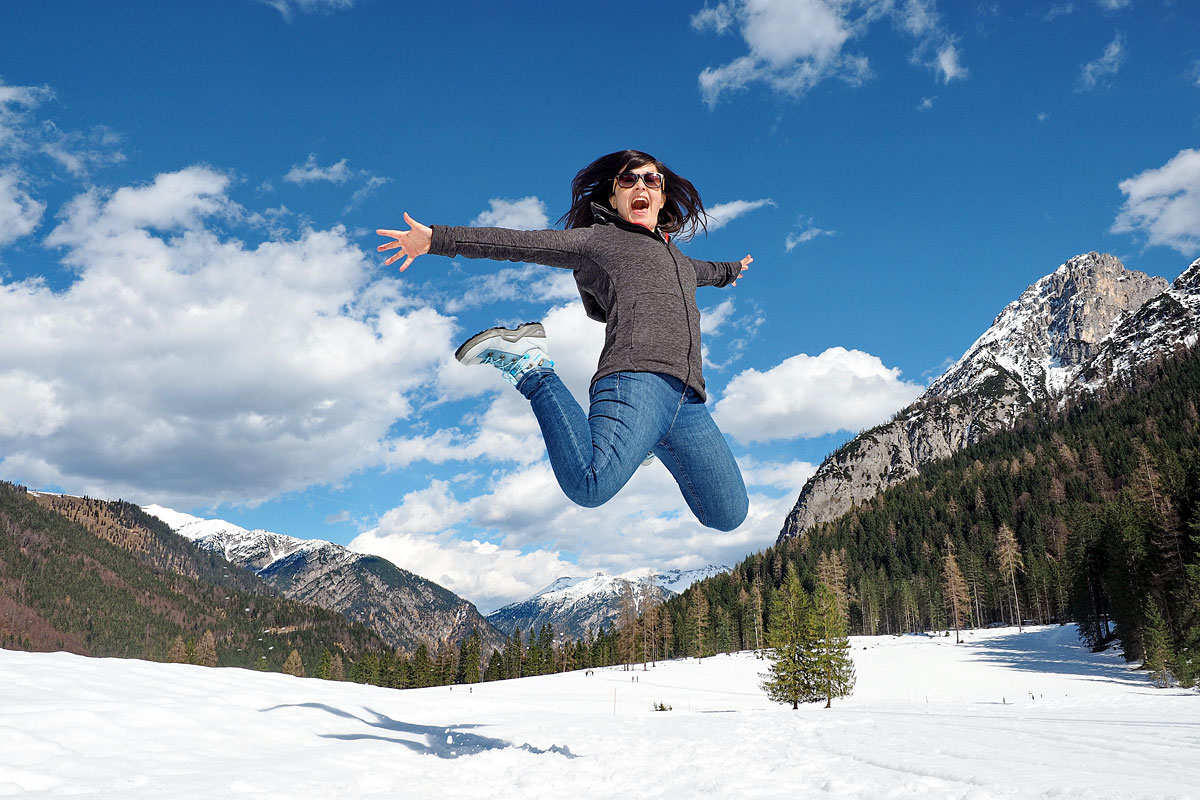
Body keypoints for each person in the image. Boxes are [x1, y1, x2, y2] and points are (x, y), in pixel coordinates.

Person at [376, 149, 752, 531]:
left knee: (728, 515)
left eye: (650, 180)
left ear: (662, 195)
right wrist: (437, 239)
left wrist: (732, 270)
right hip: (636, 379)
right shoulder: (600, 241)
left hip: (688, 402)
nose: (640, 185)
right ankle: (531, 366)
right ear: (613, 197)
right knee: (588, 484)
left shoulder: (682, 261)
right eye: (628, 179)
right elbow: (520, 243)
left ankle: (642, 443)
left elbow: (711, 271)